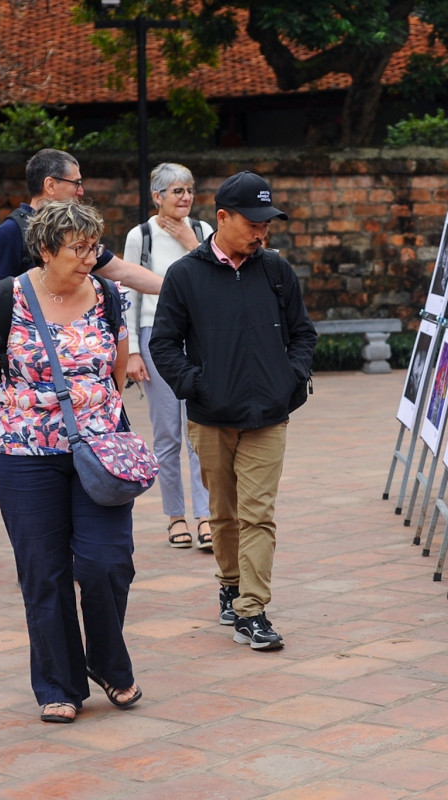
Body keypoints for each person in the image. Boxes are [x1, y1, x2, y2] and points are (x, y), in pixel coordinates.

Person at [0, 200, 142, 723]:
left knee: (108, 562)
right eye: (77, 248)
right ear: (43, 250)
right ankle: (58, 684)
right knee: (45, 572)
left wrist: (94, 426)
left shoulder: (110, 296)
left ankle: (106, 661)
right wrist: (8, 439)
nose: (90, 258)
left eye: (93, 246)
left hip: (100, 457)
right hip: (24, 459)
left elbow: (116, 376)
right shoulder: (5, 297)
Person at [148, 171, 317, 651]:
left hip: (269, 414)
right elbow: (163, 342)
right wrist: (194, 385)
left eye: (268, 223)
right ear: (222, 218)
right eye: (254, 223)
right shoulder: (185, 275)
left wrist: (289, 378)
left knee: (257, 514)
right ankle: (228, 582)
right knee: (223, 514)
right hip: (211, 417)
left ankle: (252, 609)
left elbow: (303, 333)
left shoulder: (276, 271)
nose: (263, 232)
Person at [122, 163, 215, 550]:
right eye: (177, 191)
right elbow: (125, 291)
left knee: (201, 430)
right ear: (157, 196)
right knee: (167, 434)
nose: (186, 197)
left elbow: (218, 275)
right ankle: (175, 516)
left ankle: (206, 515)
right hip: (154, 337)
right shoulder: (139, 236)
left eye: (190, 189)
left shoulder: (206, 231)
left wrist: (191, 243)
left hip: (200, 337)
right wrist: (129, 351)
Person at [0, 148, 162, 295]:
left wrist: (176, 290)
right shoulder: (10, 233)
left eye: (85, 248)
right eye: (76, 183)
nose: (81, 191)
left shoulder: (76, 231)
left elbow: (122, 271)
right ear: (50, 185)